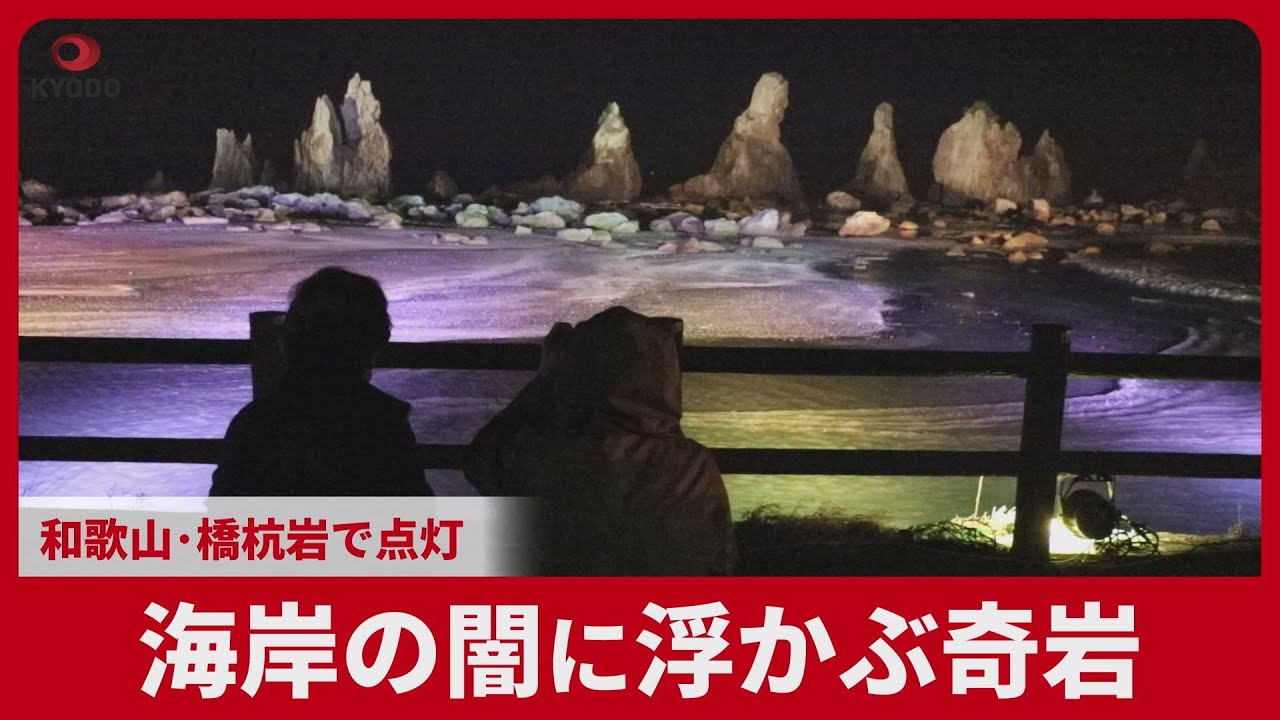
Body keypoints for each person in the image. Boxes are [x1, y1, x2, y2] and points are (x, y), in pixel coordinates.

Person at [466, 306, 735, 575]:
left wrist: (545, 377)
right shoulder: (692, 465)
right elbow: (717, 553)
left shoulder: (542, 456)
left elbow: (480, 461)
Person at [210, 266, 431, 496]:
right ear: (374, 344)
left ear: (289, 342)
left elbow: (225, 511)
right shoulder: (383, 425)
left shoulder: (257, 423)